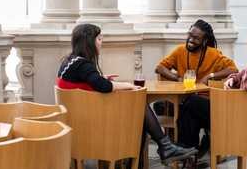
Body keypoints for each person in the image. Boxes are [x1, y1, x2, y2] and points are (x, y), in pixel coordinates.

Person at [56, 24, 198, 166]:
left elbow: (83, 83)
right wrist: (127, 85)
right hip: (91, 124)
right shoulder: (83, 65)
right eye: (99, 39)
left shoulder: (70, 61)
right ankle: (163, 147)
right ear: (89, 42)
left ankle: (162, 147)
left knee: (138, 114)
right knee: (138, 106)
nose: (101, 42)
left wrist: (101, 77)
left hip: (77, 119)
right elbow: (104, 87)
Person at [155, 19, 238, 154]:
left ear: (204, 40)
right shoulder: (180, 51)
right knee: (163, 106)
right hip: (186, 100)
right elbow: (160, 67)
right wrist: (177, 77)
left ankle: (184, 150)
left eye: (196, 38)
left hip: (206, 103)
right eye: (190, 35)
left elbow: (233, 70)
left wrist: (210, 76)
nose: (191, 40)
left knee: (188, 104)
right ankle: (190, 151)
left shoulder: (213, 54)